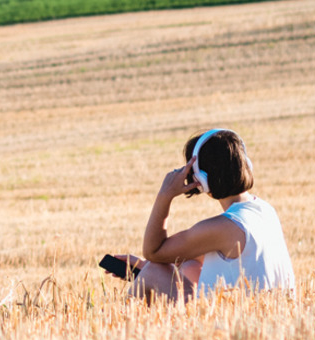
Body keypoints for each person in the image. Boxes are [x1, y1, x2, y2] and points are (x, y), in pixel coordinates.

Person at [105, 128, 296, 302]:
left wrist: (165, 195)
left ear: (202, 179)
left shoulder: (224, 227)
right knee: (189, 265)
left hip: (235, 321)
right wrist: (142, 265)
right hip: (263, 316)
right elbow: (194, 259)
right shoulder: (265, 210)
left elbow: (153, 250)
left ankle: (114, 330)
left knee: (153, 272)